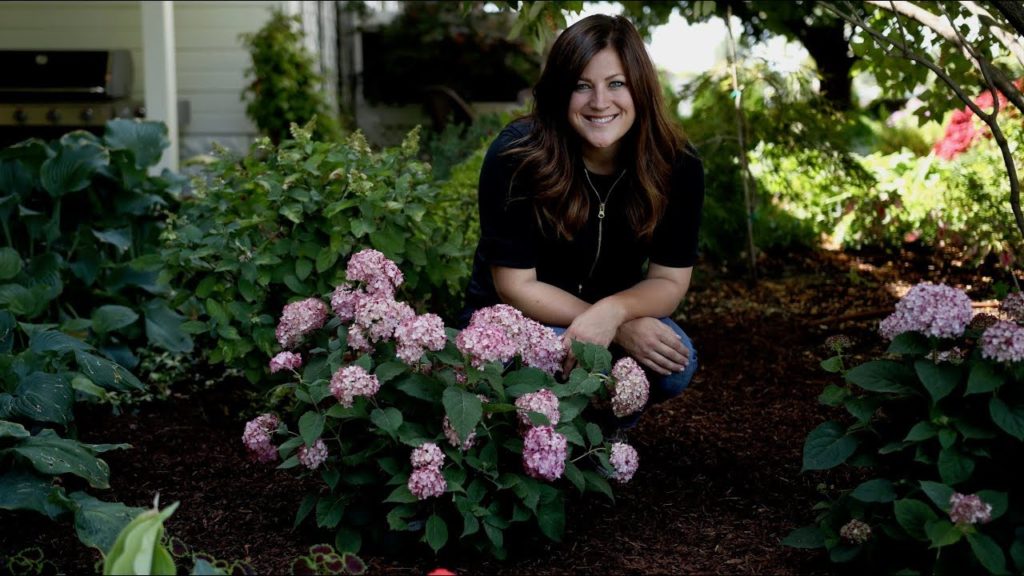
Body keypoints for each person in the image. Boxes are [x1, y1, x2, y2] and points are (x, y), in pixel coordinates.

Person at [460, 14, 704, 410]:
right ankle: (552, 441)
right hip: (518, 318)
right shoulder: (518, 155)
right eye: (581, 86)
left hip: (608, 309)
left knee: (675, 364)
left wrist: (615, 312)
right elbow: (515, 285)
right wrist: (614, 327)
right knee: (534, 365)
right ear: (560, 91)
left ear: (640, 88)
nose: (599, 103)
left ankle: (604, 435)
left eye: (616, 84)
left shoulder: (676, 165)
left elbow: (669, 282)